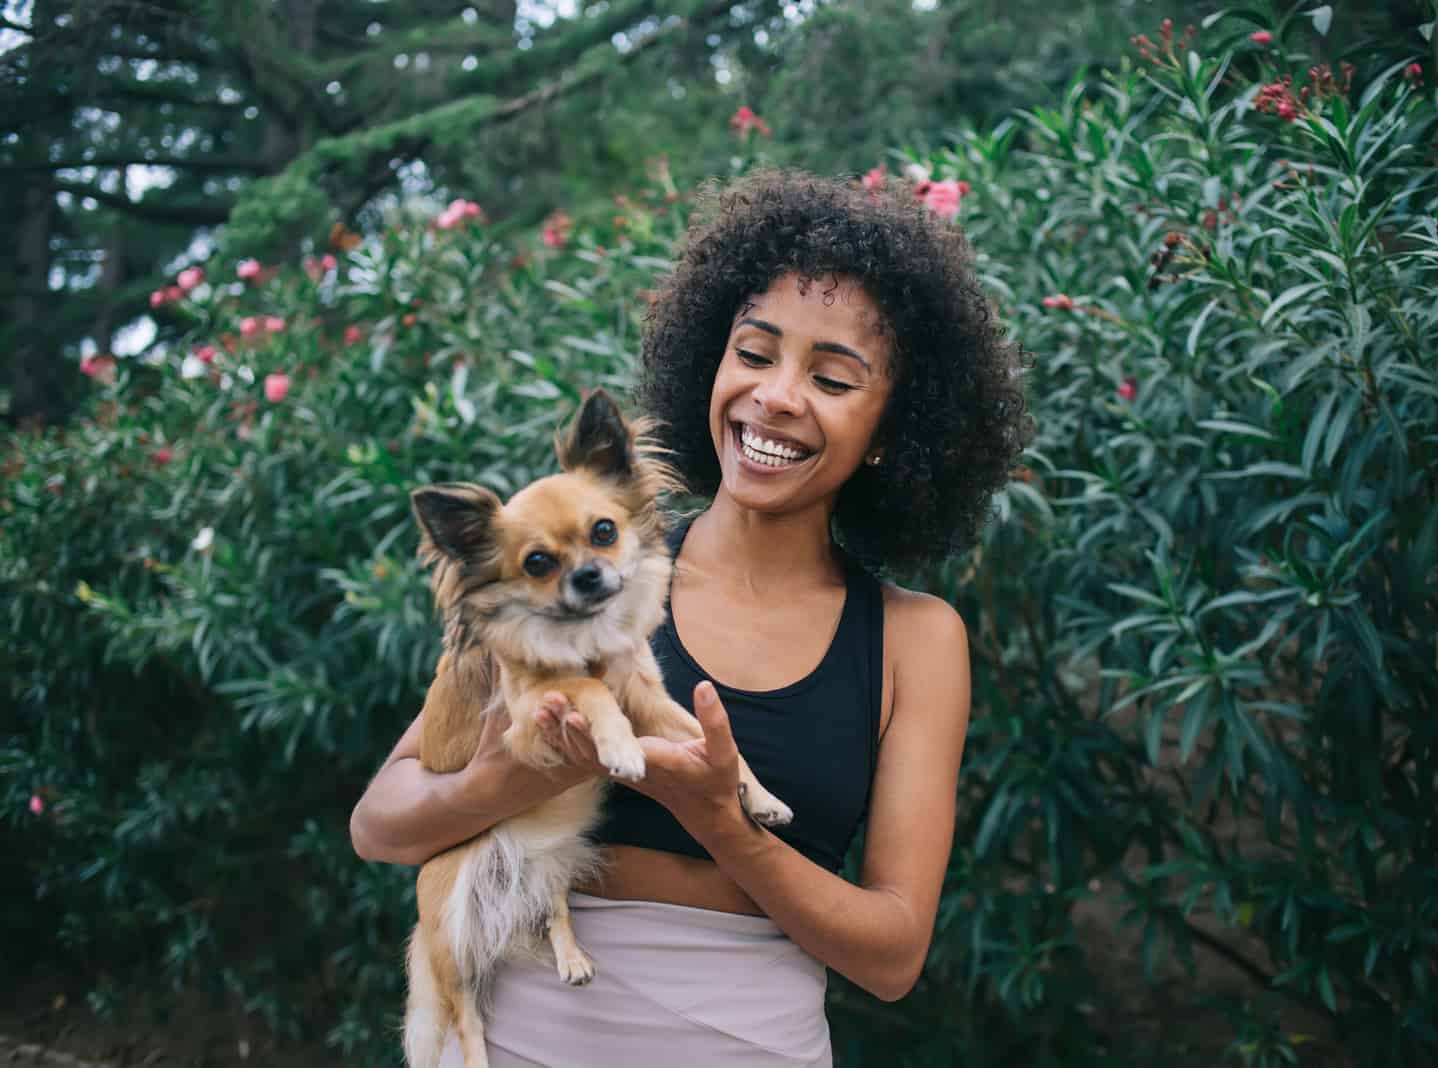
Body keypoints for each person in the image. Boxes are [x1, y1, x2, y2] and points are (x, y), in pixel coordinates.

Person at [349, 168, 1031, 1066]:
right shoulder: (584, 576)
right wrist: (504, 780)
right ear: (709, 362)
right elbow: (380, 823)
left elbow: (894, 953)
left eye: (831, 377)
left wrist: (721, 820)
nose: (777, 395)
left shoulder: (913, 639)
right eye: (753, 353)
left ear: (891, 433)